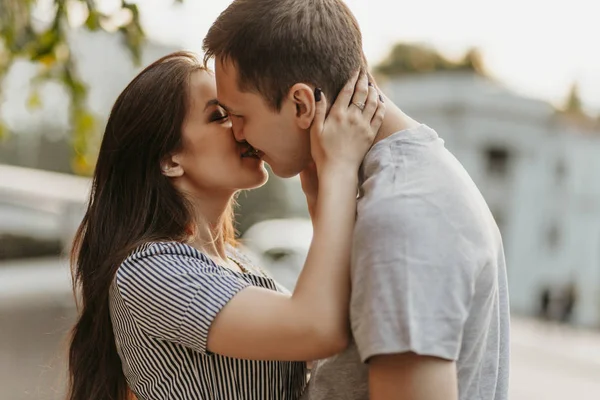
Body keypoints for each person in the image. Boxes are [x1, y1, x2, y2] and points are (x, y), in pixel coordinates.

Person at [203, 0, 510, 399]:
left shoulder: (404, 213)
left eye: (239, 115)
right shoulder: (410, 182)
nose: (238, 135)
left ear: (301, 104)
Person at [66, 51, 384, 400]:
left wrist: (318, 189)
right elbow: (318, 329)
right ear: (170, 160)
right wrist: (337, 168)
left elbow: (343, 318)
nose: (242, 127)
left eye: (238, 111)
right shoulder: (150, 271)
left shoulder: (238, 261)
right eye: (220, 115)